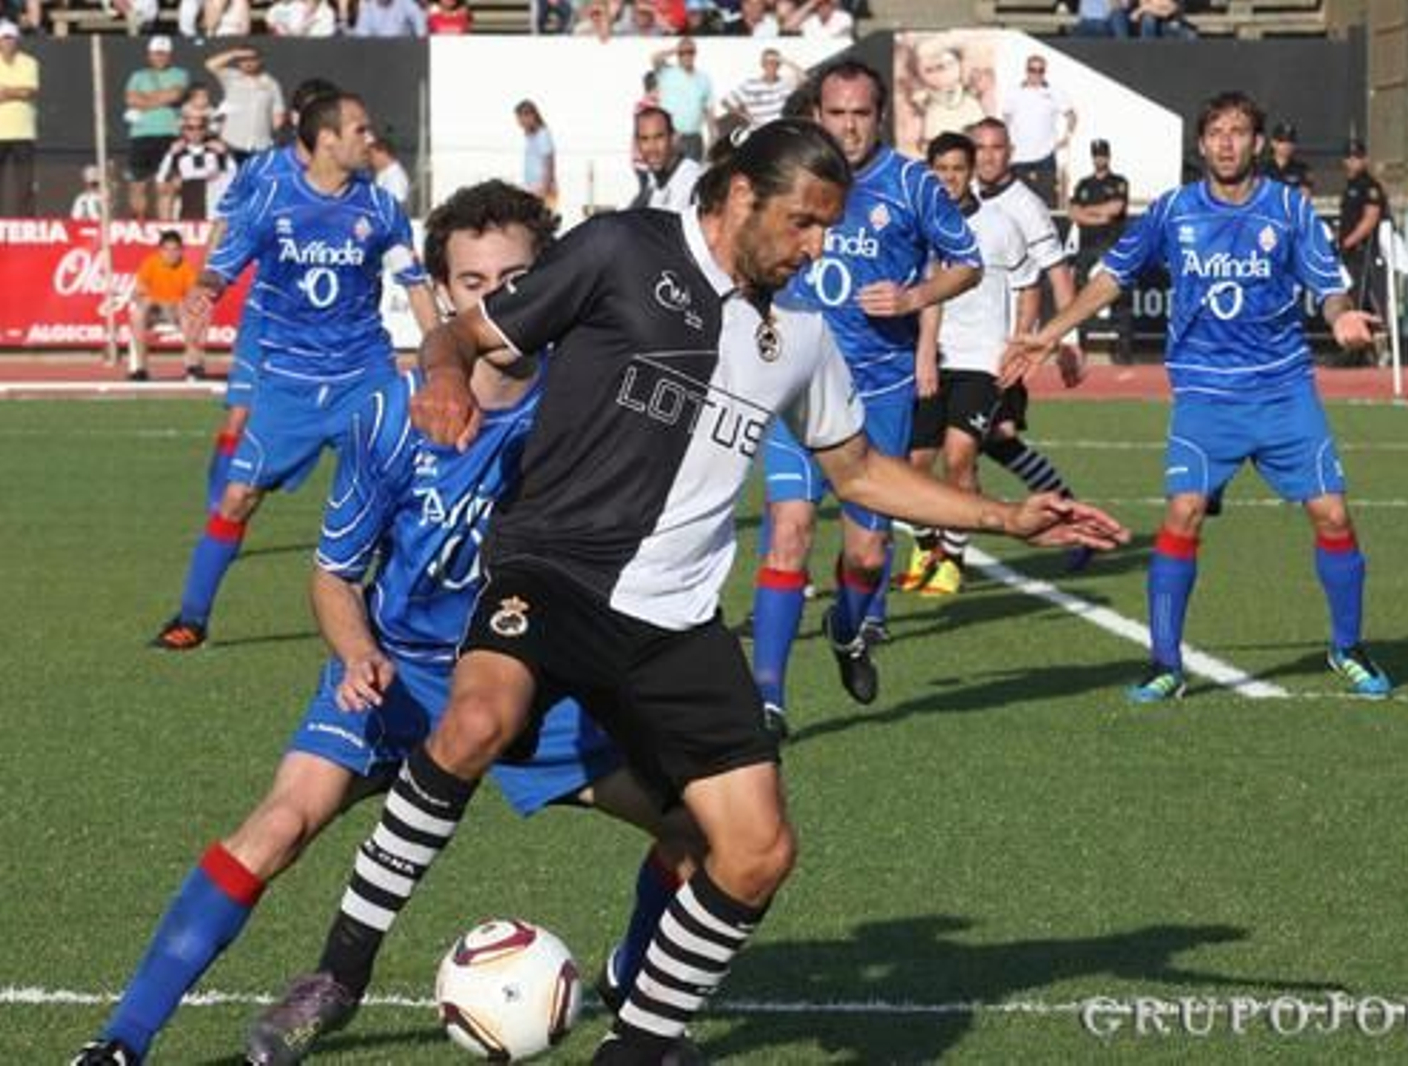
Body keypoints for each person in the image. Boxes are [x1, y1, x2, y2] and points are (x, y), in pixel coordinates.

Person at [248, 118, 1128, 1066]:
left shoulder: (800, 339)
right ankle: (340, 970)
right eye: (804, 223)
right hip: (553, 569)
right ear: (742, 195)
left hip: (673, 624)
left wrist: (1003, 517)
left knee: (758, 851)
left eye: (830, 227)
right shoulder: (622, 248)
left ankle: (635, 1047)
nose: (818, 248)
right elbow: (461, 336)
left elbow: (863, 471)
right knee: (474, 723)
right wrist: (445, 381)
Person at [73, 182, 698, 1066]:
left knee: (704, 832)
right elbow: (333, 575)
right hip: (401, 672)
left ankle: (636, 985)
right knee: (279, 825)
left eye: (518, 277)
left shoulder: (587, 404)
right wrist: (359, 651)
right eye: (473, 281)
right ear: (443, 296)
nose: (496, 299)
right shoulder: (389, 414)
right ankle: (123, 1043)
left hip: (541, 679)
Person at [1003, 90, 1393, 703]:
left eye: (1239, 132)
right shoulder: (1173, 211)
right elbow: (1110, 278)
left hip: (1282, 390)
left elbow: (1329, 286)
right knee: (1182, 514)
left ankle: (1347, 647)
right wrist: (1051, 333)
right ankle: (1165, 664)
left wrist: (1342, 317)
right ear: (1202, 143)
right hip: (1206, 395)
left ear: (1257, 143)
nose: (1228, 143)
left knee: (1334, 515)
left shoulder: (1289, 209)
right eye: (1216, 132)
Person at [149, 92, 438, 652]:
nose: (368, 138)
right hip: (290, 386)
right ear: (326, 138)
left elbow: (415, 286)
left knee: (404, 495)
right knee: (235, 499)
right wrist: (204, 293)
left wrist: (443, 358)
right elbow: (224, 265)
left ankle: (409, 619)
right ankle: (190, 618)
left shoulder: (380, 208)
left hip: (364, 379)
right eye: (359, 129)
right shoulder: (271, 201)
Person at [752, 60, 981, 738]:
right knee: (788, 533)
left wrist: (913, 298)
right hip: (797, 386)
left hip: (877, 393)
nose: (848, 127)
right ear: (817, 114)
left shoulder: (912, 184)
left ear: (879, 116)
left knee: (867, 557)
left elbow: (968, 263)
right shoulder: (792, 175)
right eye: (836, 113)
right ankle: (767, 699)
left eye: (860, 114)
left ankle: (848, 633)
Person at [902, 132, 1039, 597]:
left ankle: (953, 560)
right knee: (912, 466)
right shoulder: (918, 226)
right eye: (941, 169)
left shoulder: (1000, 225)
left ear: (971, 171)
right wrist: (922, 352)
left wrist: (1019, 343)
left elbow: (1029, 281)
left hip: (982, 361)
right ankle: (925, 546)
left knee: (960, 456)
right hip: (930, 359)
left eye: (958, 168)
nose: (950, 178)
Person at [196, 77, 339, 516]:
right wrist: (205, 282)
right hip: (267, 313)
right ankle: (217, 513)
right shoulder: (262, 169)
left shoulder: (347, 177)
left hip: (321, 323)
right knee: (239, 415)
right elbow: (225, 220)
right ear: (296, 119)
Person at [966, 117, 1090, 563]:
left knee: (967, 445)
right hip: (963, 345)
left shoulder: (1026, 206)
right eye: (978, 147)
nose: (987, 156)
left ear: (1010, 151)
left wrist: (1069, 340)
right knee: (993, 441)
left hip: (1001, 350)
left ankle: (946, 555)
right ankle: (1070, 517)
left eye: (996, 147)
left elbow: (1058, 274)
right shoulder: (964, 196)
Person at [1068, 137, 1132, 365]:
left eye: (1103, 154)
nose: (1099, 159)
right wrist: (1099, 215)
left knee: (1119, 296)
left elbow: (1115, 209)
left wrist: (1089, 213)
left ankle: (1123, 352)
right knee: (1083, 296)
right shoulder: (1084, 184)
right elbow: (1074, 213)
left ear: (1108, 156)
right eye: (1096, 155)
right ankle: (1083, 348)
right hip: (1087, 248)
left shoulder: (1118, 182)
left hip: (1112, 247)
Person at [124, 37, 190, 222]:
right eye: (156, 54)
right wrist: (162, 98)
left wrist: (145, 101)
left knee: (166, 184)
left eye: (163, 54)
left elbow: (175, 94)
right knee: (138, 184)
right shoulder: (138, 76)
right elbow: (131, 100)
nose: (159, 58)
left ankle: (164, 224)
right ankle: (139, 222)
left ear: (170, 55)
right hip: (141, 134)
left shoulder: (179, 74)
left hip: (169, 133)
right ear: (149, 55)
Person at [126, 230, 205, 383]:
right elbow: (137, 292)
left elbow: (192, 296)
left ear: (181, 250)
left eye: (175, 249)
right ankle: (141, 368)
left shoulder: (187, 268)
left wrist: (179, 304)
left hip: (176, 311)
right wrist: (143, 297)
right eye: (167, 249)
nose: (171, 254)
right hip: (155, 310)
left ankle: (192, 364)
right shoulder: (150, 264)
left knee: (187, 311)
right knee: (138, 314)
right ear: (160, 250)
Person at [1002, 54, 1075, 210]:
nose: (1036, 74)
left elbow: (1071, 116)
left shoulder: (1055, 92)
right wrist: (1006, 143)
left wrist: (1066, 137)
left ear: (1045, 72)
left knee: (1048, 203)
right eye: (1032, 70)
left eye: (1040, 70)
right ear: (1026, 71)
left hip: (1045, 156)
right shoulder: (1013, 93)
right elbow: (1006, 119)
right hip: (1019, 157)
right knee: (1018, 203)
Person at [1338, 136, 1389, 324]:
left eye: (1357, 158)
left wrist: (1347, 242)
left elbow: (1370, 219)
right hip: (1351, 254)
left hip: (1365, 251)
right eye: (1349, 158)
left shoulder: (1369, 186)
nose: (1353, 162)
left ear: (1365, 160)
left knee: (1372, 300)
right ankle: (1357, 348)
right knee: (1352, 300)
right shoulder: (1350, 186)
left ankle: (1382, 345)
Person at [206, 47, 285, 165]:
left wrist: (272, 134)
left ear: (260, 60)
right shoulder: (231, 76)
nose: (247, 63)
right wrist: (234, 53)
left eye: (252, 59)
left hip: (260, 145)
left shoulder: (271, 83)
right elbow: (210, 64)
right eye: (243, 59)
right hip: (231, 144)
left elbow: (278, 114)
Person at [155, 113, 236, 220]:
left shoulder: (216, 149)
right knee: (167, 192)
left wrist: (225, 154)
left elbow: (234, 174)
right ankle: (168, 230)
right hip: (188, 189)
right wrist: (170, 154)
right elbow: (160, 180)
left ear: (205, 130)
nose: (196, 132)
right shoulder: (177, 151)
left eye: (200, 128)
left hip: (212, 189)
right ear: (183, 130)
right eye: (190, 128)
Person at [652, 38, 715, 162]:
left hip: (694, 136)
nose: (686, 55)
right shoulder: (667, 72)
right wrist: (676, 49)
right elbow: (655, 57)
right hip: (672, 135)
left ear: (695, 53)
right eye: (682, 53)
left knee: (693, 177)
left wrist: (712, 134)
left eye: (690, 52)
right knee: (671, 178)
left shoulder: (704, 78)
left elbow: (708, 107)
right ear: (678, 55)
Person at [628, 105, 701, 211]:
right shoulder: (652, 184)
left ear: (674, 138)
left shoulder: (693, 181)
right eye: (644, 139)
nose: (652, 148)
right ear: (637, 144)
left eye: (659, 137)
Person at [0, 19, 37, 218]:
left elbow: (29, 92)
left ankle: (26, 222)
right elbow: (22, 91)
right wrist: (17, 91)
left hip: (23, 133)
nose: (8, 42)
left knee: (25, 182)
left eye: (11, 38)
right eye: (5, 38)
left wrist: (5, 92)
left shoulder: (29, 62)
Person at [722, 48, 801, 130]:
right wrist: (745, 117)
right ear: (762, 64)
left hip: (784, 130)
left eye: (775, 62)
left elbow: (806, 81)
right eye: (768, 62)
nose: (772, 65)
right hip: (761, 132)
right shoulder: (750, 85)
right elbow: (725, 102)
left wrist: (786, 61)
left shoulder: (786, 83)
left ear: (779, 64)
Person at [514, 98, 557, 207]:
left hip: (543, 191)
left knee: (544, 222)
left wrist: (545, 189)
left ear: (531, 116)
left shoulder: (543, 135)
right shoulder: (531, 137)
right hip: (532, 190)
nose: (519, 123)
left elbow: (549, 163)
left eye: (521, 119)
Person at [1262, 120, 1311, 191]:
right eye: (1282, 141)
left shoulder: (1302, 170)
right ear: (1273, 143)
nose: (1287, 145)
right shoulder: (1262, 169)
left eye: (1290, 141)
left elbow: (1305, 197)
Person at [369, 136, 410, 208]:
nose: (371, 160)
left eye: (372, 156)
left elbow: (398, 204)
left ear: (382, 153)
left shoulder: (396, 176)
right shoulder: (382, 173)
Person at [351, 0, 427, 34]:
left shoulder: (406, 3)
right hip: (376, 55)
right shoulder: (367, 9)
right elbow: (361, 39)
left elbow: (421, 29)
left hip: (403, 53)